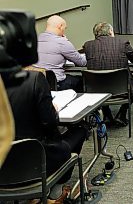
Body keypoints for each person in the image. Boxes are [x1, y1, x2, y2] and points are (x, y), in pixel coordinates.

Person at [4, 70, 87, 201]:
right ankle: (55, 193)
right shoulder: (35, 79)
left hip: (3, 167)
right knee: (80, 131)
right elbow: (50, 124)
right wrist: (53, 110)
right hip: (36, 164)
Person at [83, 22, 133, 126]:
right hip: (122, 89)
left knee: (101, 79)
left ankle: (106, 115)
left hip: (96, 88)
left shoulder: (87, 45)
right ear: (111, 31)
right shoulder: (122, 42)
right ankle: (122, 114)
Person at [35, 15, 87, 91]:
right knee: (82, 80)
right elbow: (82, 62)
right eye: (64, 28)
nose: (64, 31)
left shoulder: (36, 39)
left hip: (37, 84)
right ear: (60, 26)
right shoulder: (62, 42)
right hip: (56, 84)